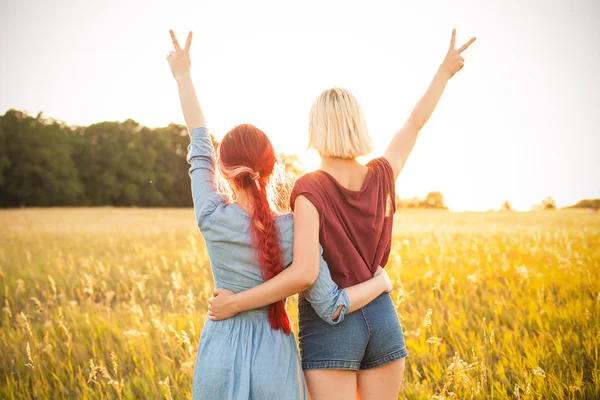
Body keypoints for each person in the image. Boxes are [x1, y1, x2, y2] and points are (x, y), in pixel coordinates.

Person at [208, 29, 476, 399]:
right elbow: (413, 124)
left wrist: (236, 303)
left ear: (314, 128)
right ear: (358, 124)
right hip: (382, 319)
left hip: (331, 329)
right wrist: (443, 73)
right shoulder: (382, 174)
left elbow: (305, 273)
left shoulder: (309, 188)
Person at [166, 30, 394, 400]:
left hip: (220, 351)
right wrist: (381, 283)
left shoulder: (210, 214)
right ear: (272, 169)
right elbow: (332, 305)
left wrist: (183, 76)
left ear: (224, 173)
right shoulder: (295, 229)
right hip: (276, 357)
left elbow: (200, 144)